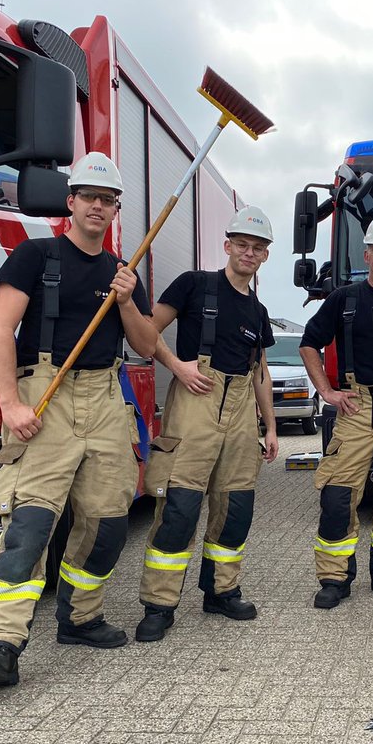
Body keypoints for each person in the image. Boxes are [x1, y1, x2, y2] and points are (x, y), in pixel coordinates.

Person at [0, 152, 157, 687]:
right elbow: (0, 331)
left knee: (107, 521)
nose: (98, 206)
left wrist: (125, 302)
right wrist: (11, 405)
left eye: (108, 200)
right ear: (70, 202)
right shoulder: (35, 255)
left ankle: (80, 617)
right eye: (89, 197)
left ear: (114, 210)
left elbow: (145, 344)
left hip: (104, 398)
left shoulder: (123, 269)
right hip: (44, 393)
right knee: (29, 524)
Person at [135, 206, 278, 639]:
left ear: (265, 256)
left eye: (257, 248)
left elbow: (261, 372)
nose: (248, 253)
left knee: (235, 508)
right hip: (196, 399)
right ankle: (158, 605)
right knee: (179, 506)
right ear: (228, 246)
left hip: (240, 413)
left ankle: (221, 591)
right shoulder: (194, 285)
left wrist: (270, 428)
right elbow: (147, 329)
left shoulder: (258, 310)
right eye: (242, 245)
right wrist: (177, 366)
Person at [299, 212, 373, 609]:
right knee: (337, 495)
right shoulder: (344, 299)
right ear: (366, 255)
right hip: (353, 405)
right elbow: (308, 343)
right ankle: (334, 579)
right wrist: (326, 391)